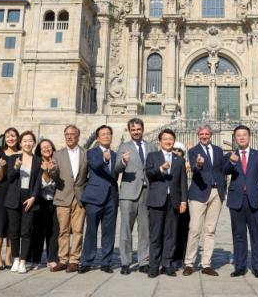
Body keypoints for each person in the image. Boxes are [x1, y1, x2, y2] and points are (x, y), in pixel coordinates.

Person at [226, 125, 258, 279]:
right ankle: (240, 266)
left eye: (244, 135)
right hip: (236, 199)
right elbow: (224, 171)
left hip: (255, 199)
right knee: (238, 234)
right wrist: (232, 162)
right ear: (235, 138)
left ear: (249, 137)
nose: (242, 137)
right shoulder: (230, 155)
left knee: (256, 234)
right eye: (238, 135)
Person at [183, 124, 226, 277]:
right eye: (201, 134)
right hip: (199, 193)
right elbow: (194, 168)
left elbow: (222, 169)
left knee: (210, 230)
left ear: (211, 134)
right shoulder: (193, 150)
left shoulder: (218, 150)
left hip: (216, 193)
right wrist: (198, 164)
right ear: (198, 135)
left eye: (206, 133)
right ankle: (189, 263)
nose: (204, 136)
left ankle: (206, 264)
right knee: (194, 229)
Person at [145, 129, 188, 278]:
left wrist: (184, 201)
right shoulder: (152, 156)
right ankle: (154, 265)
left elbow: (183, 181)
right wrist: (161, 169)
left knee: (171, 233)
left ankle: (167, 264)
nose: (168, 141)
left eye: (170, 139)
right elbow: (149, 174)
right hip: (157, 199)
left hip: (174, 201)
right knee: (156, 234)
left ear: (174, 141)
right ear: (160, 141)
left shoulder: (179, 160)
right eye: (165, 139)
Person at [116, 118, 157, 275]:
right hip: (128, 193)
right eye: (133, 130)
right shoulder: (124, 146)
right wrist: (123, 161)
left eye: (138, 129)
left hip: (147, 192)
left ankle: (143, 261)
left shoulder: (151, 146)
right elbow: (117, 168)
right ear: (129, 131)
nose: (136, 132)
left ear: (143, 130)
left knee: (144, 229)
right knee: (126, 229)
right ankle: (125, 262)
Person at [80, 125, 120, 274]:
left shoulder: (115, 154)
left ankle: (106, 262)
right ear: (98, 138)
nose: (106, 136)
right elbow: (95, 166)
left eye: (108, 134)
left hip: (111, 197)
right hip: (94, 197)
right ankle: (87, 261)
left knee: (109, 232)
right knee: (91, 230)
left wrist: (123, 162)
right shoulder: (91, 152)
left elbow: (116, 173)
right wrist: (104, 159)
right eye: (103, 134)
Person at [51, 125, 88, 273]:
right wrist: (52, 170)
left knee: (78, 230)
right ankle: (63, 260)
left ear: (78, 136)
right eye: (67, 134)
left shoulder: (86, 153)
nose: (69, 136)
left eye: (72, 134)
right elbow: (54, 176)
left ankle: (74, 260)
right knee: (63, 231)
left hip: (80, 197)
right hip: (63, 196)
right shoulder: (57, 154)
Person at [5, 130, 42, 274]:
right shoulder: (13, 157)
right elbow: (9, 177)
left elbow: (38, 181)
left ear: (34, 143)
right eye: (25, 141)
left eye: (30, 141)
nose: (28, 143)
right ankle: (15, 259)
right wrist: (16, 167)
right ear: (20, 143)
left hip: (29, 197)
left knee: (26, 232)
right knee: (14, 232)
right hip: (14, 197)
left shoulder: (37, 160)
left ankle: (23, 261)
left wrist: (33, 197)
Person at [0, 127, 20, 270]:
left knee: (12, 226)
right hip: (2, 191)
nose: (10, 139)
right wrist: (2, 167)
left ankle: (8, 258)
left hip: (15, 191)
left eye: (13, 136)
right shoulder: (0, 154)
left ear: (17, 138)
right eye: (8, 136)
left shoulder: (21, 154)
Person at [30, 138, 59, 270]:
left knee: (53, 230)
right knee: (38, 231)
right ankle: (36, 259)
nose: (46, 149)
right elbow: (44, 183)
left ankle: (52, 258)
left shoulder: (57, 161)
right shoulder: (37, 163)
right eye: (43, 148)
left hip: (55, 200)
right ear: (39, 151)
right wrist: (46, 171)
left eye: (49, 146)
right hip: (40, 200)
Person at [172, 143, 190, 269]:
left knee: (182, 230)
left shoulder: (186, 164)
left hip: (184, 200)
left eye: (179, 151)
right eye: (174, 149)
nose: (176, 152)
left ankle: (180, 257)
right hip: (170, 200)